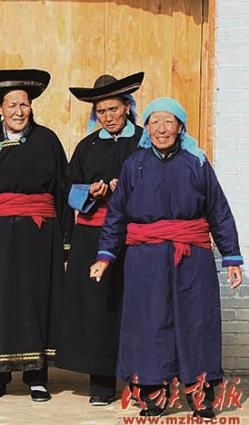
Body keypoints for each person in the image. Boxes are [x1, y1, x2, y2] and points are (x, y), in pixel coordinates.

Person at [90, 97, 244, 418]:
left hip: (192, 257)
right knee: (149, 323)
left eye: (168, 122)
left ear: (180, 127)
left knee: (196, 321)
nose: (161, 129)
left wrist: (231, 257)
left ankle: (201, 396)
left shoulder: (197, 163)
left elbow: (218, 211)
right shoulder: (134, 164)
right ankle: (153, 394)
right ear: (146, 128)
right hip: (145, 258)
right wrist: (105, 255)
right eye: (155, 122)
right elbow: (117, 213)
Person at [0, 69, 71, 402]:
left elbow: (62, 193)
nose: (19, 111)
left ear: (31, 107)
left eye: (24, 104)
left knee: (37, 300)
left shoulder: (48, 141)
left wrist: (65, 242)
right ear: (0, 109)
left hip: (39, 236)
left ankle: (37, 376)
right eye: (12, 105)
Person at [55, 72, 144, 406]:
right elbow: (68, 190)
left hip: (134, 236)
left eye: (114, 109)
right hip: (92, 236)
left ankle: (140, 381)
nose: (108, 117)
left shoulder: (144, 142)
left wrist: (129, 188)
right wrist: (89, 192)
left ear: (127, 107)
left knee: (135, 305)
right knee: (97, 307)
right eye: (101, 111)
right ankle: (102, 383)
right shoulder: (87, 146)